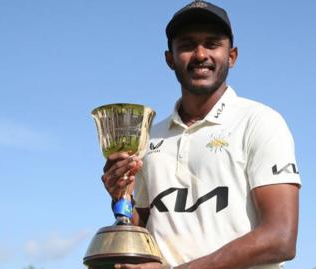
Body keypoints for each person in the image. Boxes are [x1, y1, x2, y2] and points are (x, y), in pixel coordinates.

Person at [100, 1, 301, 269]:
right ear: (170, 59)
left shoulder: (260, 122)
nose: (200, 54)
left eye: (212, 43)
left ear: (232, 56)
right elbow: (144, 230)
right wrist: (121, 198)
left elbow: (280, 238)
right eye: (187, 44)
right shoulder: (149, 137)